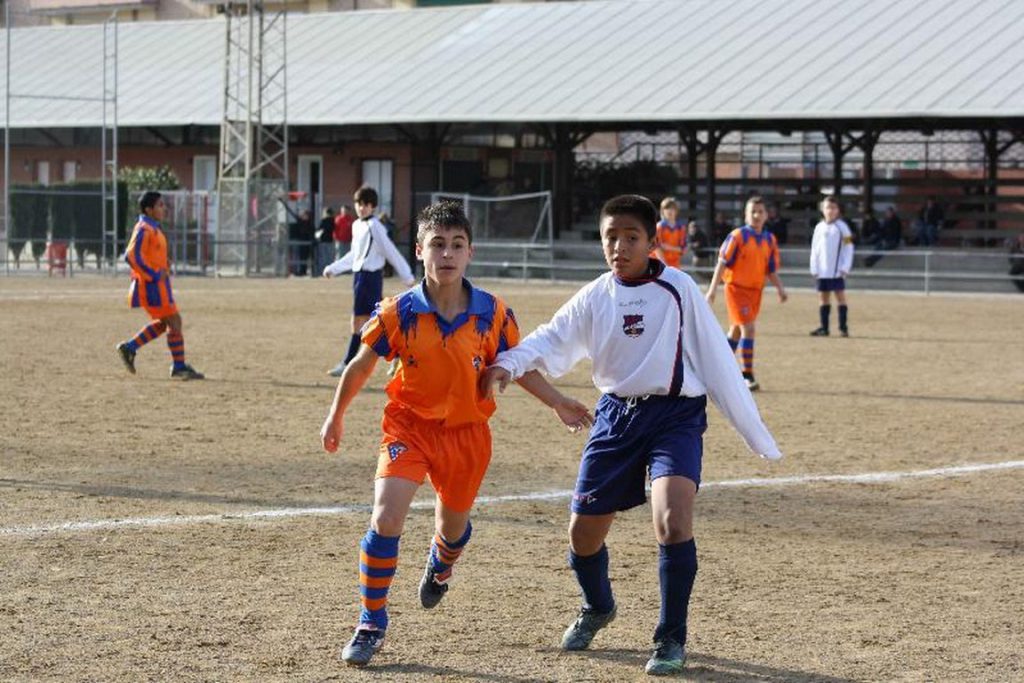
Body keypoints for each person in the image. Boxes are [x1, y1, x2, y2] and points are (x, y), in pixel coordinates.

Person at [482, 194, 782, 677]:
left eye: (631, 237)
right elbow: (548, 337)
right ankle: (598, 606)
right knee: (582, 537)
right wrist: (506, 362)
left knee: (673, 521)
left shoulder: (678, 289)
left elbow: (719, 362)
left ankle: (670, 639)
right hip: (616, 417)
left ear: (652, 241)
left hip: (675, 417)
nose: (619, 246)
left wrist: (756, 434)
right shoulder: (597, 294)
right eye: (610, 237)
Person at [321, 201, 591, 668]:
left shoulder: (493, 314)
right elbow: (360, 365)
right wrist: (335, 416)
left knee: (451, 529)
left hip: (467, 435)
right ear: (420, 251)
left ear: (470, 253)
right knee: (386, 518)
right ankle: (370, 622)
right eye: (438, 245)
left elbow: (518, 366)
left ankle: (441, 562)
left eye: (457, 245)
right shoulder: (397, 312)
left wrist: (558, 402)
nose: (447, 254)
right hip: (409, 427)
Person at [323, 187, 417, 377]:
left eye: (366, 204)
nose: (362, 208)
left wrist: (406, 276)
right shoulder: (357, 225)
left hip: (370, 278)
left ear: (373, 206)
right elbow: (354, 256)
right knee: (379, 322)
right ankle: (400, 356)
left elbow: (390, 251)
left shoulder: (375, 226)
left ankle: (348, 362)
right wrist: (334, 268)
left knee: (361, 322)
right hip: (359, 278)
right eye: (359, 204)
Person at [115, 191, 204, 380]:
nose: (164, 209)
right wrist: (153, 274)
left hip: (159, 284)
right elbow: (131, 256)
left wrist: (164, 263)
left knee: (166, 323)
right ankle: (178, 366)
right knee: (174, 321)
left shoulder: (153, 228)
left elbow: (148, 254)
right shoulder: (144, 228)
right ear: (149, 209)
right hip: (152, 286)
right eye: (160, 205)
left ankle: (130, 348)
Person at [704, 196, 788, 391]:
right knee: (748, 329)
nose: (757, 215)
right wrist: (712, 291)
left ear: (766, 215)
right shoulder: (737, 236)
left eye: (760, 211)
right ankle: (747, 375)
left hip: (756, 292)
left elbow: (771, 269)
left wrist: (780, 288)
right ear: (746, 214)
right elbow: (722, 263)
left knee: (735, 331)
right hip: (736, 289)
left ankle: (715, 370)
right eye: (753, 211)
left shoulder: (769, 239)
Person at [809, 195, 855, 337]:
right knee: (823, 298)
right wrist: (814, 267)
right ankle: (824, 327)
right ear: (823, 209)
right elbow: (814, 248)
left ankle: (843, 327)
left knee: (840, 297)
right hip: (822, 271)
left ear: (838, 210)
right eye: (828, 207)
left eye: (833, 208)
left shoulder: (842, 227)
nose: (830, 210)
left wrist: (845, 267)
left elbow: (849, 247)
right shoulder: (819, 227)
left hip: (836, 271)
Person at [652, 197, 686, 270]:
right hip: (659, 263)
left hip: (675, 264)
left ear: (676, 211)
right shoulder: (659, 227)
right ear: (662, 211)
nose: (670, 211)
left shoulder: (681, 228)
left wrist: (667, 247)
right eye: (667, 208)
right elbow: (656, 247)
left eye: (672, 208)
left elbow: (683, 248)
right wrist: (665, 265)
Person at [315, 207, 337, 275]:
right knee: (330, 257)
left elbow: (318, 230)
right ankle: (330, 271)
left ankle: (322, 271)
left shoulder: (323, 221)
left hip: (323, 240)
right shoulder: (334, 221)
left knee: (322, 257)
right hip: (330, 240)